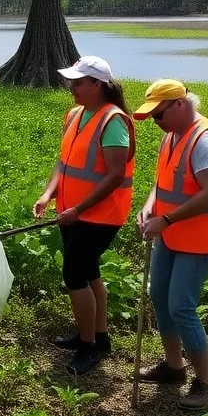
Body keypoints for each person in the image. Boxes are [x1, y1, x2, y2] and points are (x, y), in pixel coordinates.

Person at [134, 79, 208, 410]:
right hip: (172, 233)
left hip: (200, 237)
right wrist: (150, 204)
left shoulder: (205, 140)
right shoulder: (172, 136)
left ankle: (206, 383)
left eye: (159, 115)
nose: (157, 122)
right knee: (160, 296)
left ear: (180, 105)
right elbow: (163, 182)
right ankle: (173, 367)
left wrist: (165, 220)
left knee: (181, 304)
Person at [32, 56, 135, 375]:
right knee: (89, 273)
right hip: (71, 212)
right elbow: (63, 163)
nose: (72, 88)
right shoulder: (75, 115)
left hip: (99, 216)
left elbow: (115, 175)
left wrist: (79, 209)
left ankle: (88, 346)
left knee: (74, 275)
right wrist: (48, 194)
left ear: (97, 85)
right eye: (71, 82)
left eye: (78, 82)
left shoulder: (113, 121)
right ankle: (97, 335)